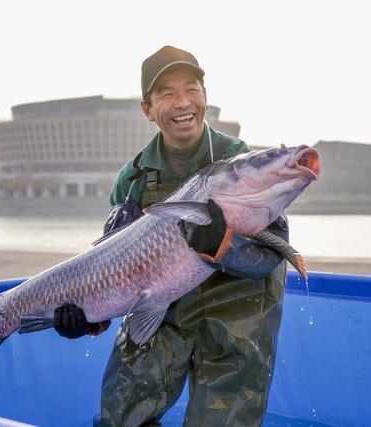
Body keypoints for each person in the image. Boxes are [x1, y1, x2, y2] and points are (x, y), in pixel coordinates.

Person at [53, 45, 289, 427]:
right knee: (121, 418)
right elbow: (113, 269)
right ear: (147, 109)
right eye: (167, 93)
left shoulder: (244, 165)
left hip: (236, 323)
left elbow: (271, 257)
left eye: (192, 89)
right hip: (162, 318)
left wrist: (221, 243)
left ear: (205, 98)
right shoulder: (131, 180)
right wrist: (89, 319)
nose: (183, 102)